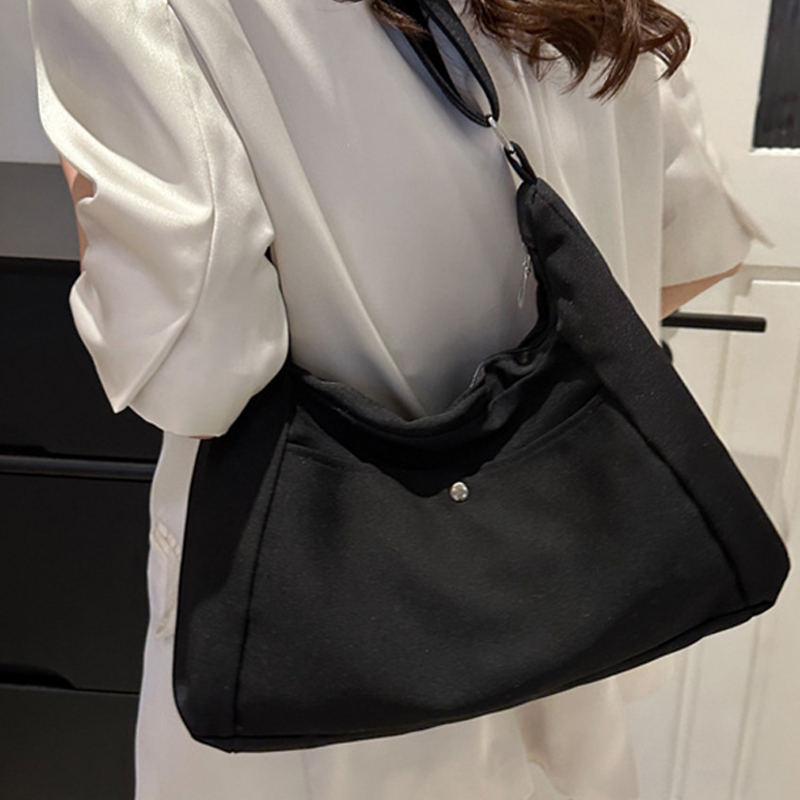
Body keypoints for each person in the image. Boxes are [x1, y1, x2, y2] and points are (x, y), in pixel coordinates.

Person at [27, 0, 767, 798]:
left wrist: (88, 184)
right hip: (573, 615)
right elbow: (695, 249)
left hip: (333, 666)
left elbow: (198, 376)